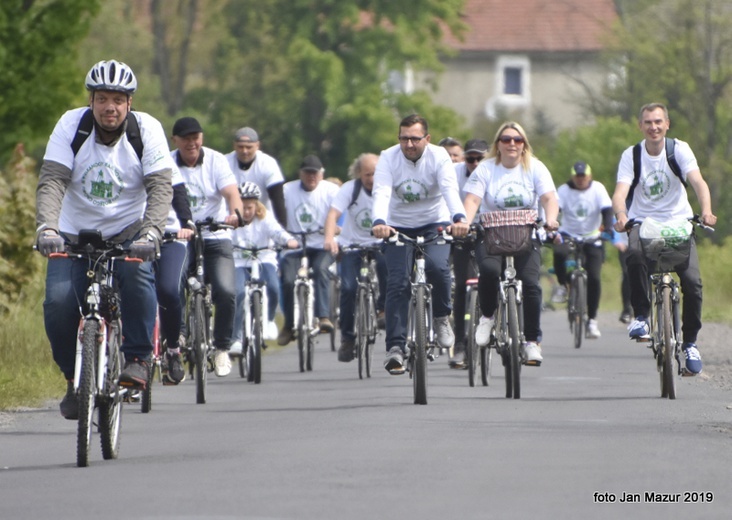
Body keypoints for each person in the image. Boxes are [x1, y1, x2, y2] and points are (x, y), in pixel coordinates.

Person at [36, 60, 173, 419]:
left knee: (137, 276)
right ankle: (73, 380)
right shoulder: (71, 125)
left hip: (129, 231)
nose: (109, 106)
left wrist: (152, 233)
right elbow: (52, 180)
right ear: (91, 101)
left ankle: (140, 358)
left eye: (117, 99)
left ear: (129, 103)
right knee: (59, 304)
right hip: (72, 232)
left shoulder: (147, 130)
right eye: (101, 98)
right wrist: (47, 228)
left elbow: (160, 188)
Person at [611, 102, 716, 375]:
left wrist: (705, 211)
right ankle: (642, 317)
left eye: (658, 121)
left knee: (693, 283)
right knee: (634, 256)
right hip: (643, 224)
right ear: (641, 126)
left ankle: (690, 342)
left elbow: (698, 182)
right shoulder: (631, 155)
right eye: (648, 122)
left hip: (678, 225)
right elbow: (620, 193)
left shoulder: (678, 150)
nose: (653, 127)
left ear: (667, 124)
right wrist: (622, 215)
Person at [371, 114, 470, 375]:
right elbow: (381, 191)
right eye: (404, 138)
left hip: (433, 223)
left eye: (415, 138)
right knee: (397, 283)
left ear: (427, 138)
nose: (409, 144)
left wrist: (459, 218)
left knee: (439, 269)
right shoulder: (388, 157)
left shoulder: (439, 157)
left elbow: (450, 189)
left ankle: (440, 317)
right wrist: (379, 221)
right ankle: (395, 348)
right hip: (397, 226)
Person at [462, 121, 559, 366]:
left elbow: (549, 197)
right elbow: (473, 200)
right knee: (489, 271)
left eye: (517, 140)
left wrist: (551, 219)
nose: (512, 144)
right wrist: (464, 222)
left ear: (524, 144)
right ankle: (487, 316)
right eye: (506, 139)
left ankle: (532, 341)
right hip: (492, 235)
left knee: (531, 284)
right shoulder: (485, 169)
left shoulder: (535, 168)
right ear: (498, 144)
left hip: (526, 236)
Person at [171, 116, 243, 377]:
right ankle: (178, 334)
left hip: (215, 234)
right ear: (175, 140)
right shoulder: (167, 162)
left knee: (226, 290)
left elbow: (231, 192)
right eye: (186, 138)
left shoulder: (216, 160)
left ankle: (222, 347)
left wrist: (236, 213)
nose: (192, 143)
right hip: (181, 235)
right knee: (173, 282)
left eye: (196, 137)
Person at [323, 153, 387, 362]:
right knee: (349, 288)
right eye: (367, 174)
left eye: (376, 173)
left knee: (388, 267)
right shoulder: (351, 189)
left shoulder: (387, 188)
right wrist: (330, 238)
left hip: (380, 243)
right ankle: (348, 338)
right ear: (359, 173)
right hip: (352, 244)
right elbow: (333, 215)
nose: (372, 178)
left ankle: (383, 309)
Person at [277, 155, 340, 345]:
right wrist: (282, 236)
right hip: (295, 245)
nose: (311, 177)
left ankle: (323, 317)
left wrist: (336, 230)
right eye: (307, 173)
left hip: (322, 244)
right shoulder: (287, 190)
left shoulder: (331, 190)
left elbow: (342, 213)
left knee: (321, 270)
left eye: (315, 173)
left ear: (321, 175)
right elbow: (275, 214)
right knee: (287, 280)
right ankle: (289, 325)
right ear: (300, 174)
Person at [230, 182, 298, 355]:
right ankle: (236, 337)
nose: (246, 212)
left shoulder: (264, 218)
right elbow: (225, 237)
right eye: (242, 207)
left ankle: (267, 320)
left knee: (274, 287)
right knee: (238, 293)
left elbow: (277, 232)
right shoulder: (231, 220)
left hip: (264, 259)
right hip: (239, 262)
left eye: (249, 207)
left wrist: (288, 240)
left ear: (256, 205)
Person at [551, 161, 613, 339]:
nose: (580, 180)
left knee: (594, 277)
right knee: (559, 253)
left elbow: (607, 211)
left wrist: (608, 229)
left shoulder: (598, 189)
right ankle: (563, 285)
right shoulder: (564, 190)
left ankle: (592, 320)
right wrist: (551, 228)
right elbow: (555, 210)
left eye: (583, 176)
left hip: (592, 235)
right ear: (572, 177)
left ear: (589, 176)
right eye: (577, 177)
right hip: (568, 233)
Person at [449, 138, 487, 368]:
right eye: (470, 159)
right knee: (463, 285)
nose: (474, 163)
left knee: (493, 278)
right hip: (462, 231)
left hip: (491, 232)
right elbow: (444, 197)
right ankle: (461, 345)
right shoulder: (453, 173)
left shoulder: (494, 171)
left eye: (479, 159)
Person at [156, 163, 195, 385]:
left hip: (169, 235)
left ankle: (172, 349)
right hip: (131, 235)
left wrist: (186, 222)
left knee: (169, 290)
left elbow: (179, 195)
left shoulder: (162, 159)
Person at [225, 127, 287, 227]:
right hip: (232, 222)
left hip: (261, 222)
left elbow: (278, 199)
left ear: (257, 145)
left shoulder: (268, 164)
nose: (244, 151)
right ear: (234, 145)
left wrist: (283, 230)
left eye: (249, 147)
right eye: (240, 147)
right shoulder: (224, 163)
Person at [612, 227, 633, 324]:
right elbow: (614, 221)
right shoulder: (622, 210)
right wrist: (616, 240)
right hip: (625, 245)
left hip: (645, 244)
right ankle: (627, 309)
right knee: (627, 274)